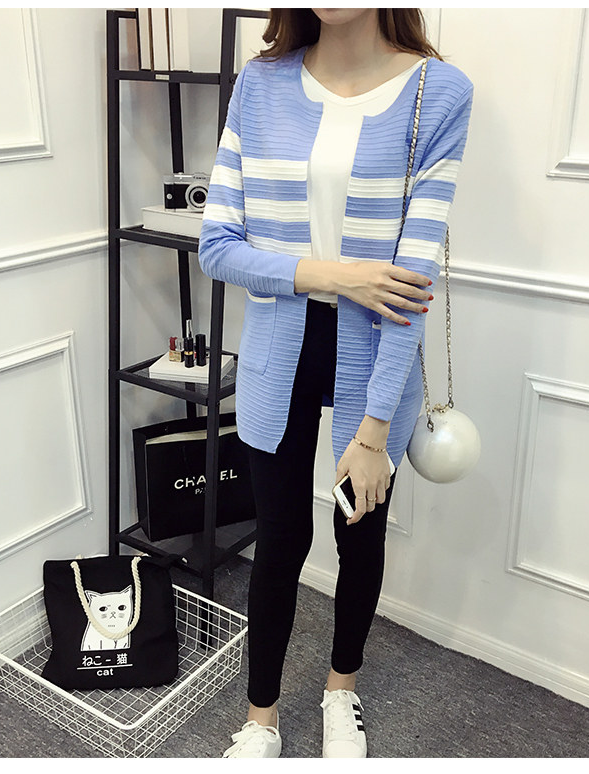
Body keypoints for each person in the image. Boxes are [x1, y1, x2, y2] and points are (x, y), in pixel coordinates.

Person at [198, 7, 473, 758]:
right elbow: (217, 247)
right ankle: (260, 718)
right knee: (281, 537)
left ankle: (340, 689)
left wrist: (376, 430)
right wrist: (335, 275)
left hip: (377, 359)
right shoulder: (260, 85)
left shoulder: (438, 92)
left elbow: (411, 282)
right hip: (278, 350)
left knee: (360, 532)